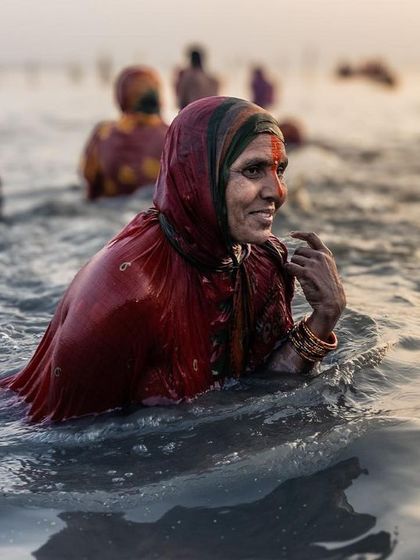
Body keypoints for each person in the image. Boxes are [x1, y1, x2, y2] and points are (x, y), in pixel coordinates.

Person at [0, 97, 345, 422]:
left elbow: (266, 381)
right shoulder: (127, 293)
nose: (277, 192)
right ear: (197, 175)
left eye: (279, 170)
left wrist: (322, 320)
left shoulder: (266, 260)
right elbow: (65, 447)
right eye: (253, 171)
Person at [80, 66, 168, 200]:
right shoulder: (173, 136)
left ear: (121, 95)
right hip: (151, 210)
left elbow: (89, 179)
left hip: (108, 208)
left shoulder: (103, 133)